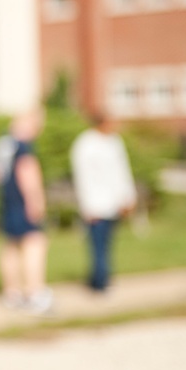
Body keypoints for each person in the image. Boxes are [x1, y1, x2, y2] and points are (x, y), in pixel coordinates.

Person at [0, 110, 51, 313]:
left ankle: (12, 293)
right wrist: (36, 201)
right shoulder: (23, 147)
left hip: (8, 203)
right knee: (35, 244)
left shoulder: (2, 145)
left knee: (11, 247)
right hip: (23, 203)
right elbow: (27, 173)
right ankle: (35, 293)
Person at [70, 112, 137, 292]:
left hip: (114, 203)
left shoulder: (115, 142)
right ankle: (99, 281)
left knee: (108, 243)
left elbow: (122, 171)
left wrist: (128, 197)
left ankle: (103, 277)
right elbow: (82, 177)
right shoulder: (85, 144)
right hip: (96, 205)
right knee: (97, 244)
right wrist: (87, 207)